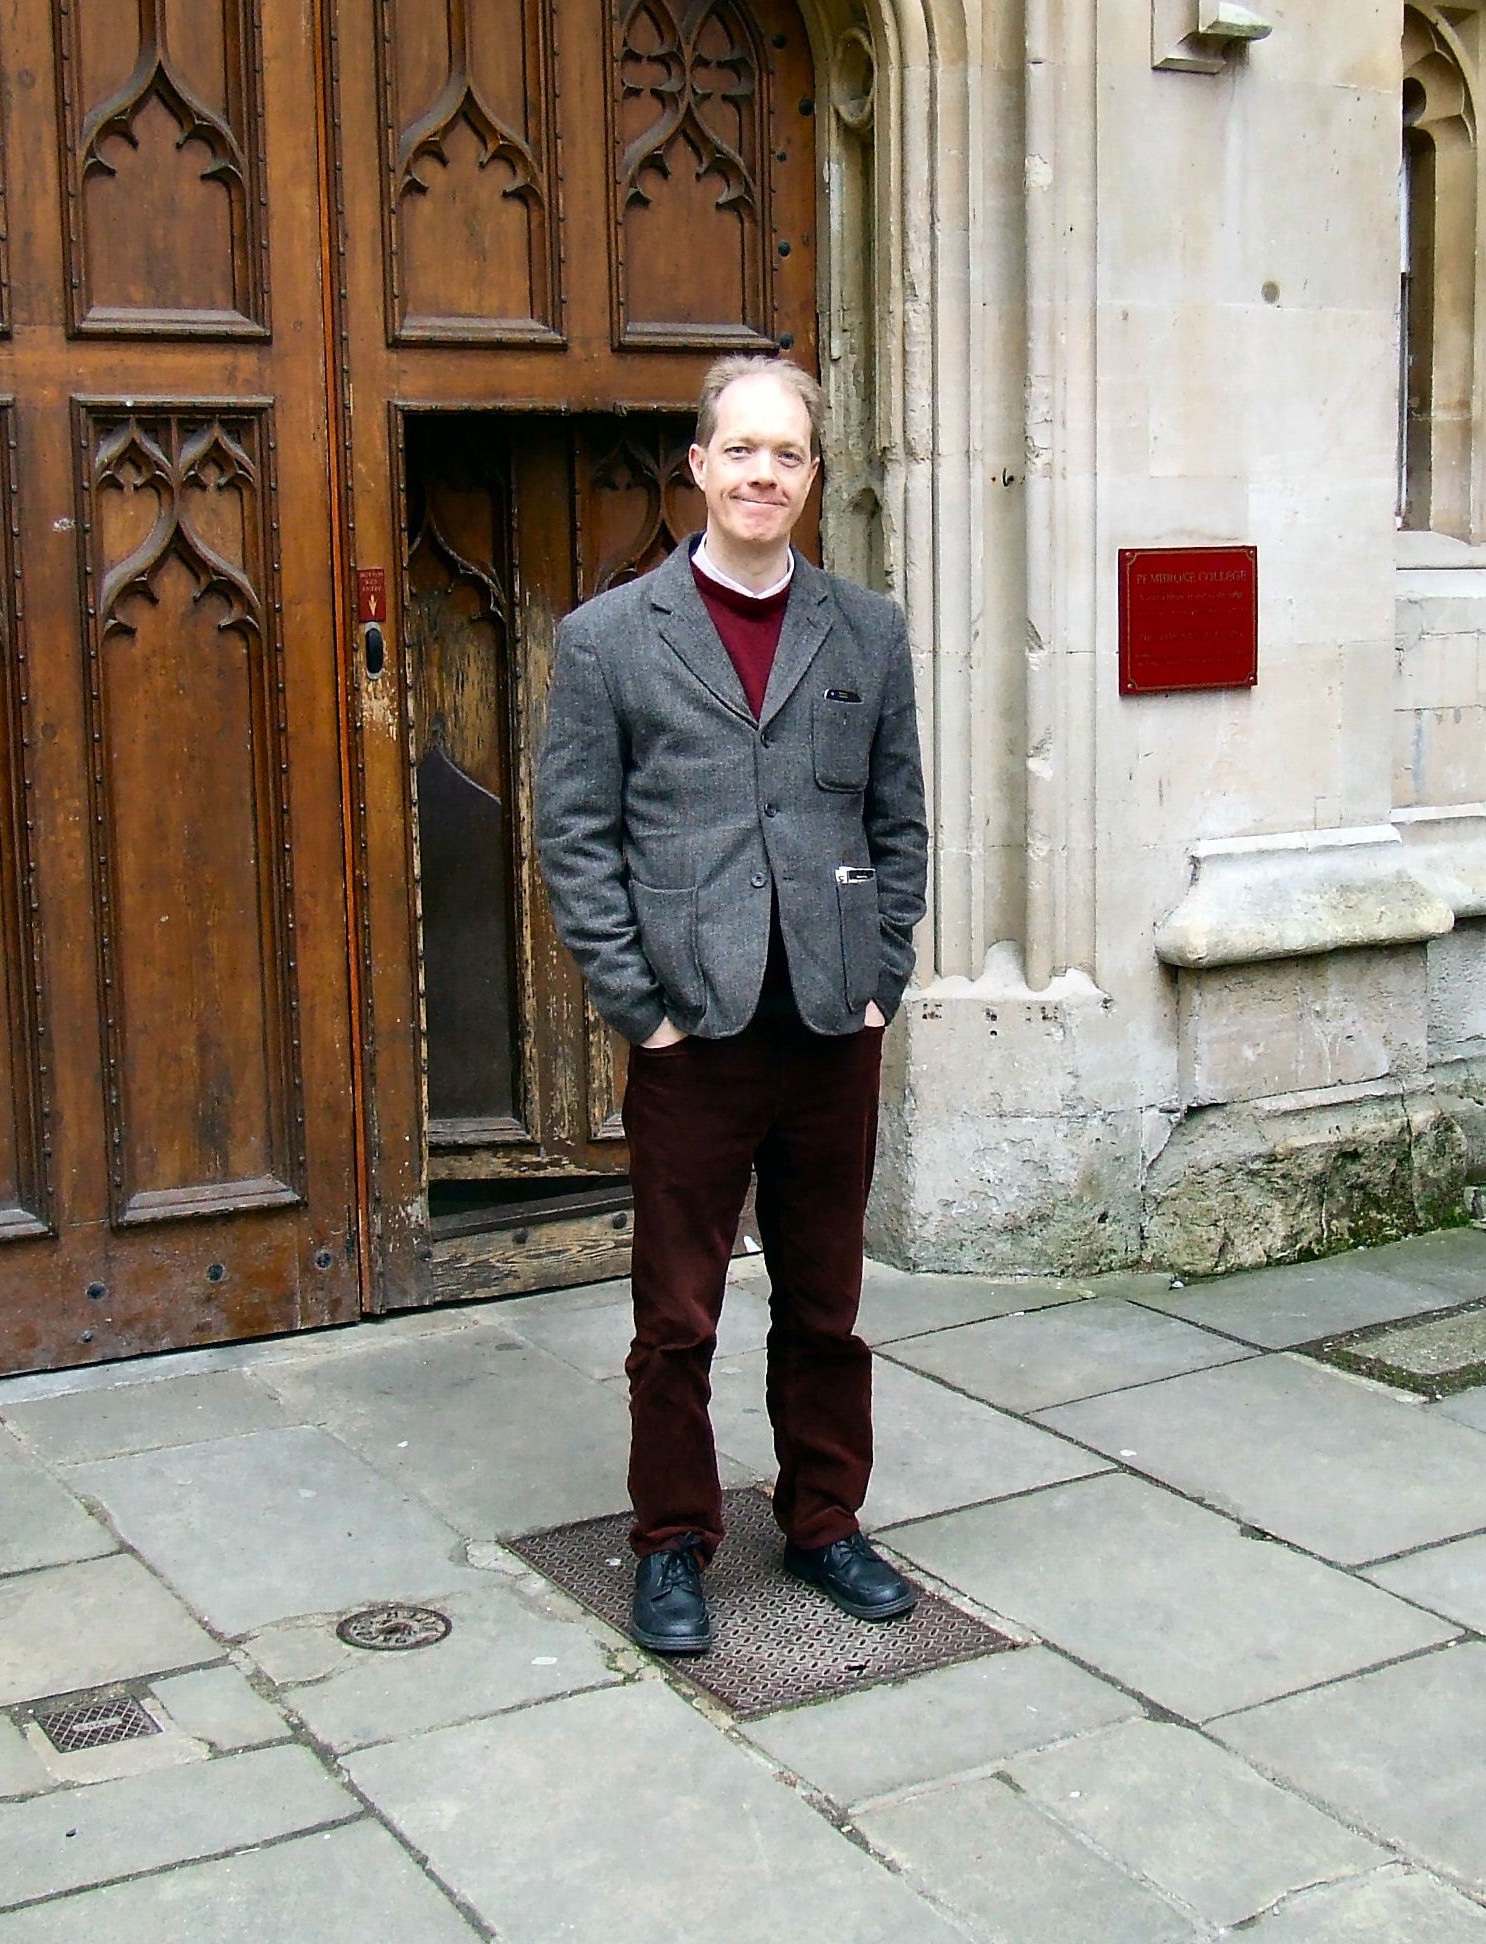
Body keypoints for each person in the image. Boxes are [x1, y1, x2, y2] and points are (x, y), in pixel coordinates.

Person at [534, 356, 929, 1653]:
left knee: (826, 1301)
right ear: (698, 467)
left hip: (828, 1026)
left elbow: (897, 820)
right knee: (678, 1315)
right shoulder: (607, 641)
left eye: (790, 455)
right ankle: (672, 1543)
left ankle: (823, 1519)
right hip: (693, 1033)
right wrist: (637, 1005)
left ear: (813, 478)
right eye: (742, 450)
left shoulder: (865, 634)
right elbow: (575, 838)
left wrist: (880, 979)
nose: (765, 474)